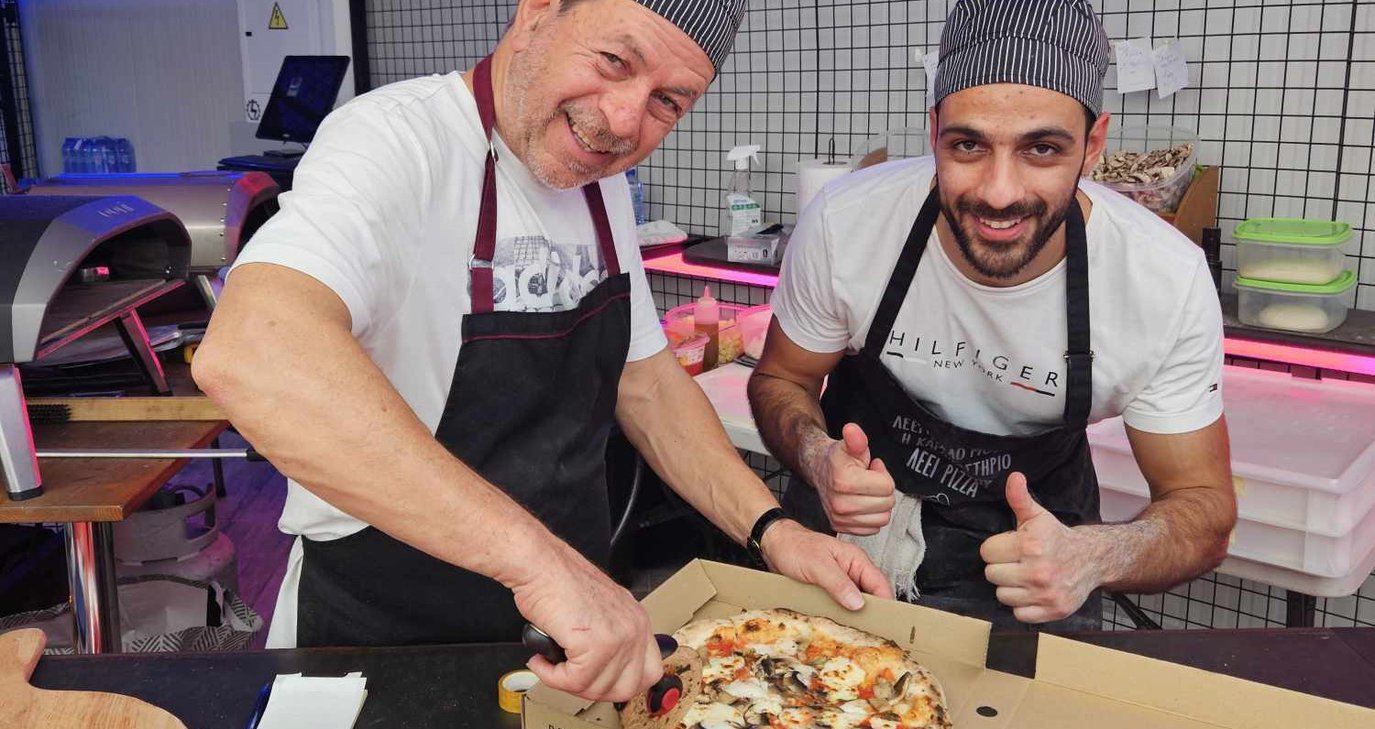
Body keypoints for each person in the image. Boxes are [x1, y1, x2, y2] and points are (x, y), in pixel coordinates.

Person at [192, 0, 891, 703]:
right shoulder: (395, 140)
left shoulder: (598, 183)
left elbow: (647, 383)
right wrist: (541, 565)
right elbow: (253, 351)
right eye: (613, 61)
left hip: (567, 648)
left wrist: (771, 529)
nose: (623, 120)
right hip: (380, 637)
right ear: (535, 13)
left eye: (667, 102)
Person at [748, 0, 1236, 631]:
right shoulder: (847, 224)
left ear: (1093, 145)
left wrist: (1095, 556)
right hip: (840, 545)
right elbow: (781, 379)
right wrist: (816, 455)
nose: (999, 192)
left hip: (1028, 564)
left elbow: (1203, 507)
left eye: (1043, 148)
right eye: (968, 145)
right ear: (934, 134)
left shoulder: (1162, 280)